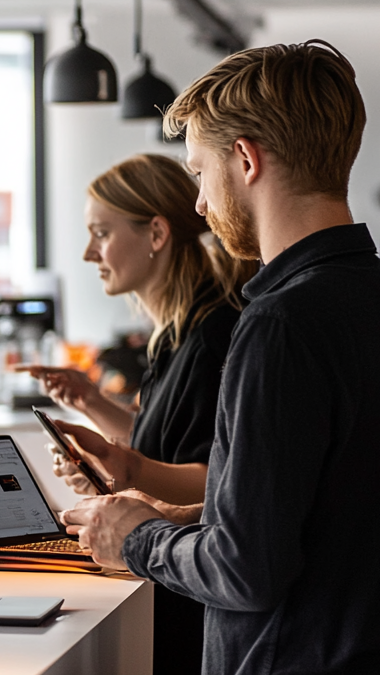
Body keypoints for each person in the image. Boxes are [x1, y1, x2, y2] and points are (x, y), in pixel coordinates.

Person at [61, 40, 380, 674]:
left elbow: (247, 570)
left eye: (200, 173)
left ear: (245, 160)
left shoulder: (280, 324)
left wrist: (136, 538)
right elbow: (332, 506)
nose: (200, 205)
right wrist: (190, 517)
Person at [23, 154, 255, 674]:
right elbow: (163, 443)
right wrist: (98, 424)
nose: (89, 252)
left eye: (101, 233)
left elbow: (214, 481)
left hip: (191, 589)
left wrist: (125, 470)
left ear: (155, 233)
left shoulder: (213, 334)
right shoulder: (173, 335)